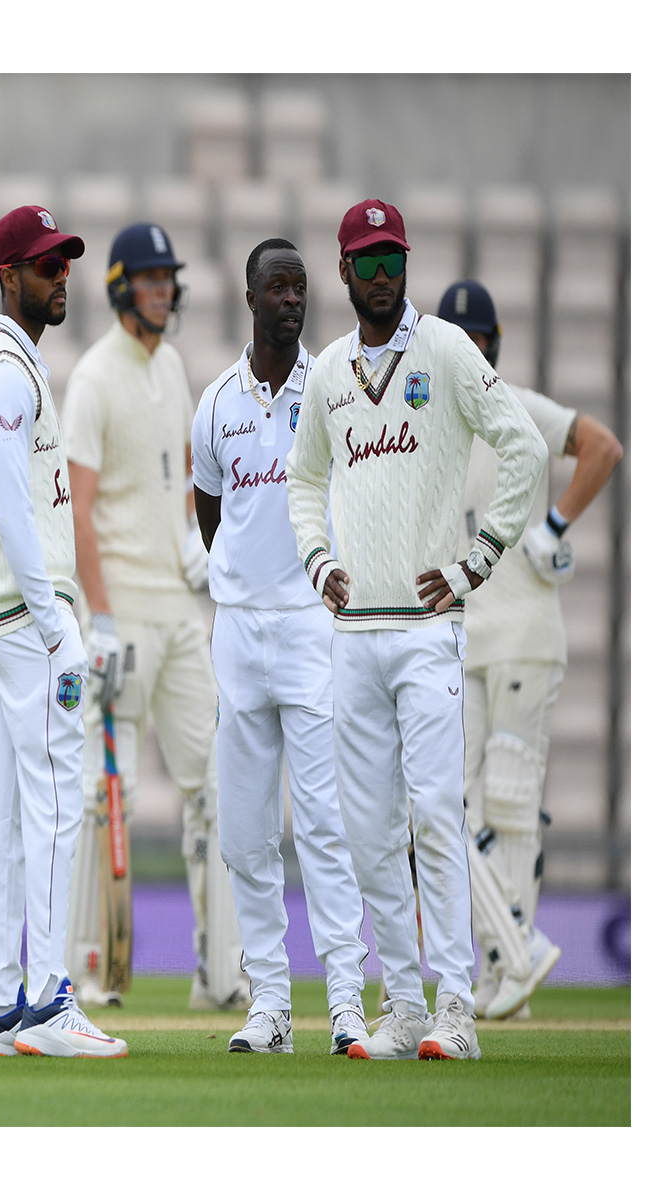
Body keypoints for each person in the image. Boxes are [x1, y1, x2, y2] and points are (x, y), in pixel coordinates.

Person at [285, 200, 545, 1061]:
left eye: (393, 257)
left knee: (435, 812)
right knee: (369, 832)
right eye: (367, 260)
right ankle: (402, 1006)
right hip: (354, 634)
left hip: (430, 628)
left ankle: (456, 1009)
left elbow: (526, 448)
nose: (383, 274)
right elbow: (302, 481)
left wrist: (478, 560)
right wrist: (317, 561)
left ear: (407, 262)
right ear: (344, 270)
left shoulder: (447, 350)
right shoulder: (328, 371)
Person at [191, 238, 370, 1055]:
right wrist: (246, 585)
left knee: (325, 823)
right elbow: (212, 515)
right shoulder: (216, 404)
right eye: (278, 288)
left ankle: (345, 1001)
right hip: (239, 633)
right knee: (244, 831)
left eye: (301, 288)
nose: (292, 300)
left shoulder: (331, 386)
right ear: (251, 297)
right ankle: (268, 1002)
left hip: (310, 628)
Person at [63, 221, 245, 1011]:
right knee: (109, 793)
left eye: (169, 279)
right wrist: (98, 617)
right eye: (150, 279)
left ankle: (222, 971)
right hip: (123, 614)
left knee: (218, 785)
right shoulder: (93, 378)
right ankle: (91, 967)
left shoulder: (172, 366)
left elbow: (180, 480)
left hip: (177, 610)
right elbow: (80, 510)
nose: (163, 291)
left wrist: (192, 547)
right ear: (120, 288)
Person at [0, 205, 126, 1059]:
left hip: (11, 617)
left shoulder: (17, 367)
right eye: (46, 266)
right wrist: (55, 620)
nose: (62, 278)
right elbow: (12, 509)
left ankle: (1, 1006)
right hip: (26, 617)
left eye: (65, 265)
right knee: (56, 800)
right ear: (8, 276)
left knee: (8, 809)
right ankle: (53, 1001)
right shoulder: (3, 373)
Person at [435, 279, 622, 1021]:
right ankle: (514, 951)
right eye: (457, 341)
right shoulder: (435, 428)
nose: (469, 352)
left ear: (493, 345)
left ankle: (507, 974)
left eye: (477, 340)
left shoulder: (519, 406)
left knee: (511, 804)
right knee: (443, 802)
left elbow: (602, 448)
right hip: (464, 639)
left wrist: (554, 526)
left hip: (526, 638)